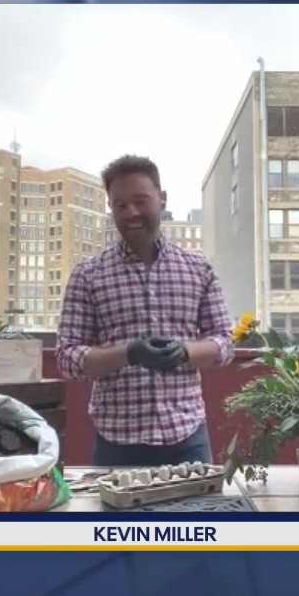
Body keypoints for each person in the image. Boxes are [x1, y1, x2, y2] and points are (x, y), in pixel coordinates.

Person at [55, 155, 234, 468]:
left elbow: (225, 342)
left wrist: (184, 352)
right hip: (117, 443)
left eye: (140, 201)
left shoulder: (198, 269)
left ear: (162, 199)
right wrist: (128, 353)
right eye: (120, 205)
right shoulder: (87, 275)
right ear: (110, 208)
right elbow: (67, 357)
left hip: (188, 437)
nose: (131, 212)